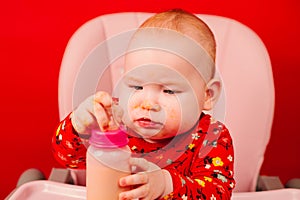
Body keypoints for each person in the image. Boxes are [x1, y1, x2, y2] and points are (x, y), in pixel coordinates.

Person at [52, 9, 235, 200]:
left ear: (207, 95)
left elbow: (218, 193)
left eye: (169, 91)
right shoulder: (113, 120)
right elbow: (69, 159)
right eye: (136, 86)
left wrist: (166, 185)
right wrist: (77, 126)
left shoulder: (211, 137)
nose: (147, 104)